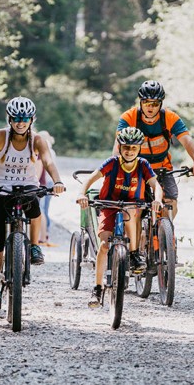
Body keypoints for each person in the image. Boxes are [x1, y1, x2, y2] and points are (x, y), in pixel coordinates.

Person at [0, 97, 66, 308]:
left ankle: (34, 246)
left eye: (24, 118)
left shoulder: (37, 140)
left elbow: (48, 161)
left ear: (31, 119)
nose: (20, 122)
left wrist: (58, 181)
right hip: (1, 188)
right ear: (9, 119)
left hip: (27, 186)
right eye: (16, 118)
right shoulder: (0, 136)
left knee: (35, 210)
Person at [76, 127, 164, 308]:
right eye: (126, 147)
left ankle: (133, 254)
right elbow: (89, 179)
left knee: (132, 213)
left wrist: (157, 200)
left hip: (132, 205)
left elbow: (156, 185)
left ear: (139, 149)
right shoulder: (112, 162)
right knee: (104, 246)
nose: (129, 151)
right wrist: (82, 194)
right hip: (109, 205)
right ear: (120, 147)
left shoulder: (142, 165)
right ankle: (98, 288)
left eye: (133, 148)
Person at [115, 80, 194, 219]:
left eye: (155, 104)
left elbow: (187, 140)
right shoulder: (129, 117)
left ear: (161, 104)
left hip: (163, 168)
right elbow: (118, 145)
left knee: (170, 203)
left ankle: (165, 235)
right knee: (134, 206)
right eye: (146, 102)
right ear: (140, 102)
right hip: (136, 168)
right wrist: (116, 166)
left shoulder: (170, 118)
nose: (150, 107)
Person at [35, 130, 57, 245]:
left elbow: (43, 167)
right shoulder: (52, 151)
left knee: (41, 209)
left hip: (44, 182)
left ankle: (43, 236)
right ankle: (45, 234)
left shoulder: (43, 150)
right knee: (45, 209)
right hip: (49, 182)